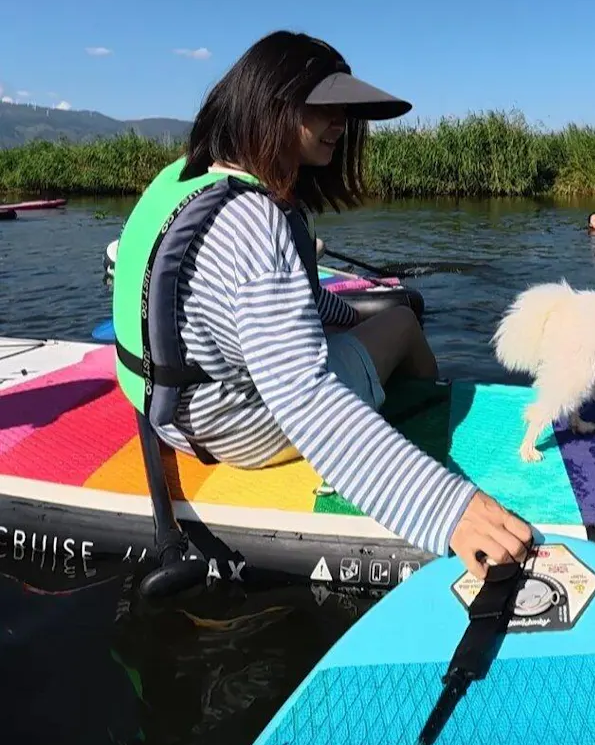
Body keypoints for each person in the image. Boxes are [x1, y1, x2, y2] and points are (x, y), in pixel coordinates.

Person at [111, 31, 531, 579]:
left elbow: (292, 306)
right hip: (240, 430)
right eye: (324, 106)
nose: (341, 122)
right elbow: (302, 395)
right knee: (403, 323)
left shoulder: (183, 178)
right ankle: (421, 427)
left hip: (170, 417)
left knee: (375, 321)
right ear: (272, 103)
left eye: (345, 110)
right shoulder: (254, 223)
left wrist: (354, 317)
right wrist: (448, 509)